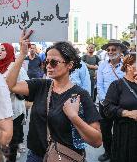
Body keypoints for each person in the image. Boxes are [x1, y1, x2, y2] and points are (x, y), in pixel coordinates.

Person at [6, 30, 102, 161]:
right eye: (46, 62)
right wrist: (22, 54)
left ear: (69, 65)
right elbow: (10, 85)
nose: (48, 67)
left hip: (63, 157)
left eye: (54, 62)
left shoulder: (80, 95)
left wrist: (74, 117)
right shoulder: (41, 86)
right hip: (35, 156)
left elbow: (97, 141)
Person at [0, 43, 29, 162]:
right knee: (1, 140)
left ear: (9, 52)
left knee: (12, 142)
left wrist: (12, 88)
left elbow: (27, 85)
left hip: (14, 110)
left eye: (3, 50)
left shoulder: (17, 68)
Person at [103, 53, 137, 162]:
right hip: (125, 136)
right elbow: (107, 108)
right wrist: (128, 113)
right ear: (129, 66)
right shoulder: (117, 85)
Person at [96, 39, 126, 162]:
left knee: (121, 130)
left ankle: (119, 153)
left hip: (121, 104)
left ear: (120, 50)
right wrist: (105, 101)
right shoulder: (102, 65)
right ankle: (108, 152)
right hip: (105, 104)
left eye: (114, 49)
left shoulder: (127, 65)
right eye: (108, 50)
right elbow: (99, 85)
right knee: (105, 130)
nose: (110, 52)